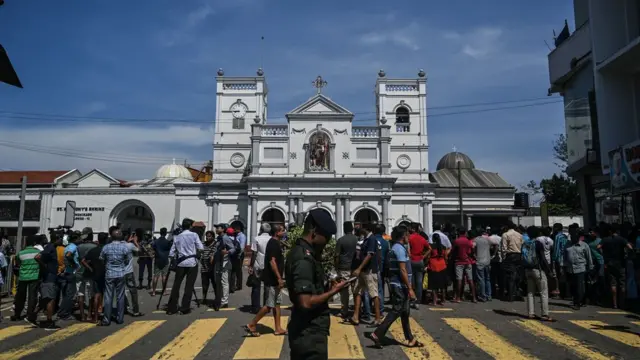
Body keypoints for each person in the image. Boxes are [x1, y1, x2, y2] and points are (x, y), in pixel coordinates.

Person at [285, 208, 347, 360]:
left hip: (309, 331)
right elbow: (306, 302)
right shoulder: (304, 259)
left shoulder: (307, 253)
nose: (327, 242)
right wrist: (334, 292)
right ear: (314, 231)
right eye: (326, 236)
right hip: (308, 333)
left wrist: (329, 287)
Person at [367, 226, 424, 349]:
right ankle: (377, 333)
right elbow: (402, 270)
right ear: (404, 236)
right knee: (397, 310)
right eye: (408, 235)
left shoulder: (398, 248)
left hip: (400, 285)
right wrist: (410, 288)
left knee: (404, 312)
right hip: (400, 285)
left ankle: (410, 338)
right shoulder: (398, 249)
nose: (409, 237)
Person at [244, 224, 287, 337]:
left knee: (276, 304)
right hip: (272, 279)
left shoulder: (276, 243)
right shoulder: (273, 243)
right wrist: (279, 277)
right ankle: (252, 324)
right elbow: (272, 262)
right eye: (283, 230)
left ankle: (278, 328)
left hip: (274, 279)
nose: (284, 232)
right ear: (277, 232)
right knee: (269, 305)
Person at [167, 218, 204, 315]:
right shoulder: (194, 235)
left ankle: (172, 307)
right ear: (191, 226)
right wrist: (197, 255)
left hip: (180, 263)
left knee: (176, 285)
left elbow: (171, 253)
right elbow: (201, 248)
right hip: (192, 262)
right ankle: (184, 307)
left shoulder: (177, 236)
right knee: (189, 286)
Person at [349, 223, 382, 326]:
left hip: (369, 271)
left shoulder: (371, 239)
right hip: (363, 270)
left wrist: (358, 268)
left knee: (373, 293)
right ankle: (355, 316)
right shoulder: (367, 239)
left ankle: (377, 318)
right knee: (357, 291)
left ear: (366, 228)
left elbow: (369, 255)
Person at [99, 228, 132, 326]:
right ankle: (120, 318)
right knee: (120, 296)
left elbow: (101, 259)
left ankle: (106, 319)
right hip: (121, 273)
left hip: (109, 273)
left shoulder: (106, 247)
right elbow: (127, 260)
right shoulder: (124, 247)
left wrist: (107, 265)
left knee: (108, 296)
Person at [522, 226, 552, 320]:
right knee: (543, 292)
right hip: (537, 270)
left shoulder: (525, 243)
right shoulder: (538, 243)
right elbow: (542, 257)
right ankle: (545, 314)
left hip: (527, 270)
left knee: (530, 292)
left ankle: (531, 313)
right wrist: (549, 270)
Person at [12, 235, 41, 326]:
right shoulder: (38, 252)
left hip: (23, 277)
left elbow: (18, 263)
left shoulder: (21, 253)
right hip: (34, 277)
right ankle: (30, 314)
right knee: (32, 297)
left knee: (20, 296)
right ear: (34, 243)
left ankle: (17, 314)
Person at [564, 228, 594, 310]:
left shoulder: (584, 245)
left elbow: (589, 257)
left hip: (580, 268)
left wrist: (590, 267)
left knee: (579, 287)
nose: (573, 239)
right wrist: (563, 266)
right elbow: (564, 256)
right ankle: (575, 300)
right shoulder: (567, 245)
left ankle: (578, 302)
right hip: (570, 269)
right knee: (572, 286)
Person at [81, 232, 107, 324]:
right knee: (107, 294)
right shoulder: (107, 249)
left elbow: (83, 261)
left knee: (96, 294)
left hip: (95, 274)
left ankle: (95, 317)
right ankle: (105, 314)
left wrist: (90, 268)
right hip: (106, 274)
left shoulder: (93, 250)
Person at [335, 221, 358, 319]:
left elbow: (337, 255)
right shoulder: (357, 239)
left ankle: (344, 311)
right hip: (356, 268)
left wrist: (336, 267)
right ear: (352, 229)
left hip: (344, 267)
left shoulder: (341, 240)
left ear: (344, 229)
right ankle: (358, 310)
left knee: (344, 291)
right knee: (357, 290)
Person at [249, 223, 272, 313]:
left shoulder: (257, 239)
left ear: (261, 229)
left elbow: (254, 253)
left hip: (258, 264)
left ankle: (255, 307)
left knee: (256, 286)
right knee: (267, 287)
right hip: (268, 265)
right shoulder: (271, 239)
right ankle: (266, 307)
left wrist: (251, 265)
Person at [76, 227, 97, 322]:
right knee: (91, 294)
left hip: (79, 272)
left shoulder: (79, 246)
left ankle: (82, 315)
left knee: (80, 294)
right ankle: (89, 314)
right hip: (90, 272)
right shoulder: (94, 246)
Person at [213, 223, 235, 309]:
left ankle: (224, 301)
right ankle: (219, 299)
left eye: (218, 228)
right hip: (218, 262)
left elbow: (233, 249)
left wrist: (227, 252)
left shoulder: (225, 238)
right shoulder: (218, 238)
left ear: (223, 229)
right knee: (218, 282)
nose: (216, 229)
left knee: (224, 282)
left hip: (225, 263)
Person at [408, 223, 430, 308]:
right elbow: (429, 249)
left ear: (413, 229)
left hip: (411, 260)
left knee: (411, 282)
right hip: (420, 261)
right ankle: (418, 301)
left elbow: (407, 248)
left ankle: (412, 299)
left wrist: (409, 255)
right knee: (419, 282)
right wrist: (423, 256)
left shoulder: (410, 238)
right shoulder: (422, 238)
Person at [474, 229, 499, 302]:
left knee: (481, 279)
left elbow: (473, 247)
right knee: (487, 279)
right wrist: (493, 254)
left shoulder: (476, 239)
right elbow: (496, 245)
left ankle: (483, 296)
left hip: (479, 261)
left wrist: (475, 254)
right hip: (487, 261)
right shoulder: (488, 239)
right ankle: (489, 295)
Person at [452, 228, 476, 302]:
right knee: (470, 280)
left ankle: (458, 297)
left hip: (459, 262)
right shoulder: (468, 241)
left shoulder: (457, 241)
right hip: (467, 261)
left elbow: (453, 251)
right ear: (465, 233)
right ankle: (474, 298)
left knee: (459, 280)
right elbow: (471, 251)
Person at [428, 233, 449, 305]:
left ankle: (434, 301)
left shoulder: (431, 246)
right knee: (442, 284)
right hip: (442, 265)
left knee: (434, 285)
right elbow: (446, 257)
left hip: (433, 265)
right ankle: (443, 300)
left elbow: (428, 256)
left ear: (433, 239)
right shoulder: (443, 247)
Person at [151, 227, 171, 296]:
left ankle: (153, 291)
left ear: (160, 233)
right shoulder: (167, 242)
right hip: (165, 260)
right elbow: (169, 250)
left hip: (157, 259)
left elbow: (153, 248)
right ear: (165, 233)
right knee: (164, 276)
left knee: (155, 276)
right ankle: (164, 291)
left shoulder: (156, 241)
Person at [200, 230, 217, 308]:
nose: (207, 237)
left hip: (212, 268)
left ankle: (217, 298)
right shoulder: (203, 244)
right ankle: (204, 298)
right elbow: (201, 253)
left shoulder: (215, 244)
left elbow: (213, 254)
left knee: (215, 284)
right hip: (204, 268)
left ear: (213, 237)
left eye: (209, 236)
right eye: (207, 236)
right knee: (204, 284)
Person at [231, 224, 246, 292]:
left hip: (239, 254)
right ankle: (234, 284)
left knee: (238, 270)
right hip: (235, 253)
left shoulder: (242, 236)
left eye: (235, 230)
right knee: (235, 269)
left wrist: (239, 255)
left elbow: (242, 246)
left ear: (238, 229)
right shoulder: (236, 236)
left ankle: (239, 285)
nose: (234, 231)